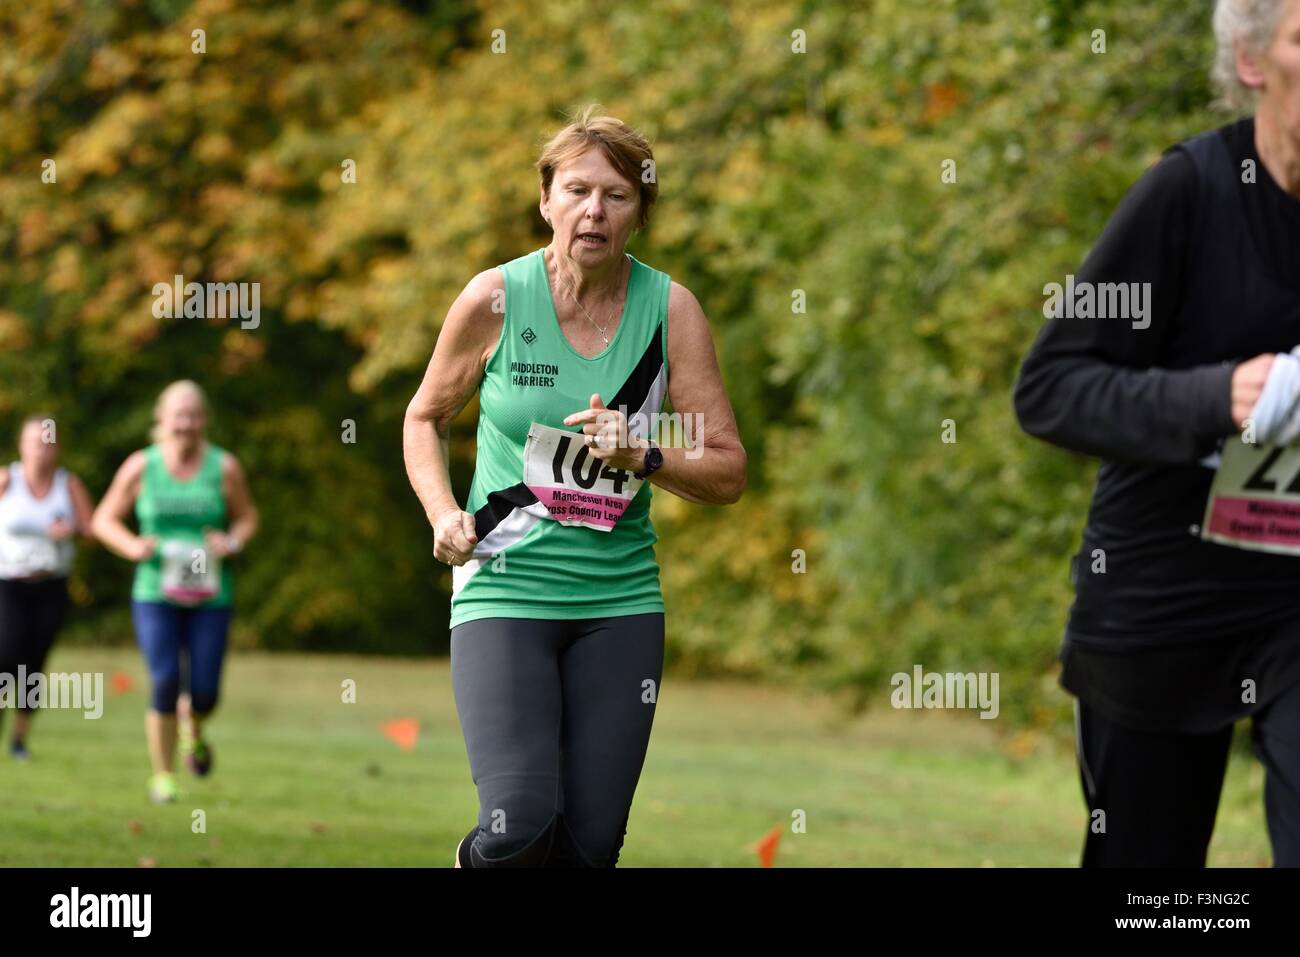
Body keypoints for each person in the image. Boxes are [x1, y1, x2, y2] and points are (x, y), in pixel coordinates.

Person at [404, 105, 747, 867]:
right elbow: (424, 416)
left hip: (619, 603)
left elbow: (725, 466)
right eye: (578, 189)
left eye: (617, 195)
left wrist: (646, 455)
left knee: (589, 847)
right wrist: (442, 510)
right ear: (546, 200)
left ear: (640, 213)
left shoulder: (670, 311)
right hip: (505, 588)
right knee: (518, 820)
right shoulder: (495, 298)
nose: (595, 209)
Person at [1014, 0, 1300, 866]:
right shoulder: (1192, 192)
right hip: (1161, 596)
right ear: (1253, 61)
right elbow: (1051, 389)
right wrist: (1218, 396)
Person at [92, 381, 258, 803]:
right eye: (178, 415)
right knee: (165, 680)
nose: (186, 424)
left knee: (204, 691)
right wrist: (132, 545)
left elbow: (247, 517)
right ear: (161, 420)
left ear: (203, 421)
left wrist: (232, 542)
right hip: (154, 590)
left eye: (194, 415)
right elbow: (103, 519)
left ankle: (195, 728)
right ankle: (163, 776)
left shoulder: (223, 467)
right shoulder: (140, 467)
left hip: (210, 595)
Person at [0, 414, 96, 760]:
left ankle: (20, 738)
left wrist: (71, 529)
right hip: (8, 583)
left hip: (51, 585)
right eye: (36, 442)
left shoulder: (68, 485)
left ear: (58, 449)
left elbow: (92, 528)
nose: (42, 449)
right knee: (6, 655)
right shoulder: (5, 480)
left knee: (33, 662)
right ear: (22, 446)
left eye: (48, 442)